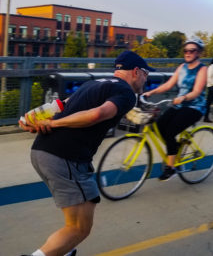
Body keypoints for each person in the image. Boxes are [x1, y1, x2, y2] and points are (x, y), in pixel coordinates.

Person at [18, 50, 154, 256]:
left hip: (43, 151)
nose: (147, 79)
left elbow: (60, 105)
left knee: (84, 207)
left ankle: (65, 250)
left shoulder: (95, 83)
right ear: (136, 71)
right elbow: (97, 114)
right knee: (78, 228)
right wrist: (53, 123)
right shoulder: (127, 93)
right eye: (146, 73)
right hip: (64, 156)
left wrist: (31, 118)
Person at [143, 37, 207, 181]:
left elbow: (197, 91)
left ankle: (170, 168)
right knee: (158, 127)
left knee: (170, 131)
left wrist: (184, 98)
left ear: (199, 53)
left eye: (192, 50)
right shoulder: (181, 67)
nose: (188, 53)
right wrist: (151, 92)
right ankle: (174, 149)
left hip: (195, 106)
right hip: (179, 104)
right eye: (186, 50)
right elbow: (169, 85)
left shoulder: (202, 69)